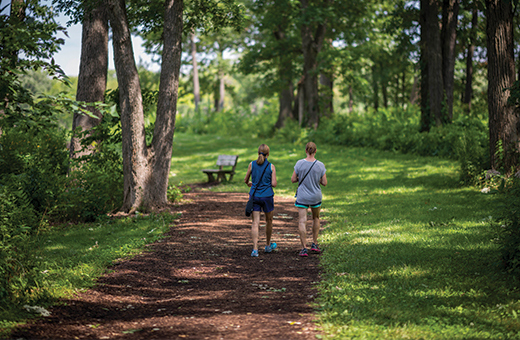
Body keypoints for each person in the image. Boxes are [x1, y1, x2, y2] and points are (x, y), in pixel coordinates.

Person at [291, 142, 327, 257]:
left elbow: (293, 179)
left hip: (302, 196)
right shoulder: (320, 165)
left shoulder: (299, 163)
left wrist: (300, 177)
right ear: (315, 151)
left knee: (302, 220)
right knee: (316, 218)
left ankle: (303, 248)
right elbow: (324, 183)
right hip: (315, 196)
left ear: (306, 151)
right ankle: (314, 244)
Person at [244, 144, 278, 257]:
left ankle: (255, 249)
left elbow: (246, 180)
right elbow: (274, 184)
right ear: (268, 154)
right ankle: (268, 245)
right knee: (269, 221)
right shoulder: (271, 166)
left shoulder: (251, 164)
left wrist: (250, 183)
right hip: (267, 196)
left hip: (255, 196)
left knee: (255, 223)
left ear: (258, 152)